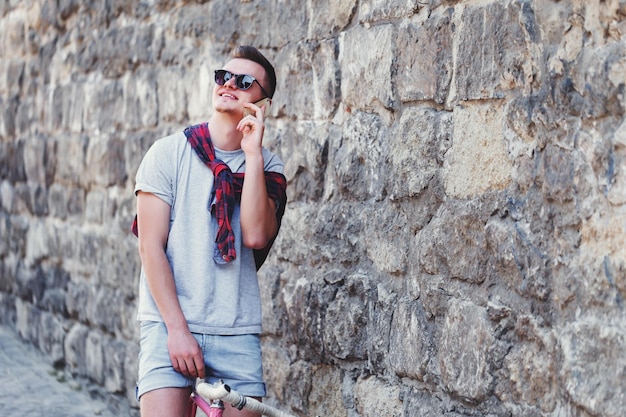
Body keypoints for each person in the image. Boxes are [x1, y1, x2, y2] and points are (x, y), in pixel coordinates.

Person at [131, 45, 287, 417]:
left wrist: (252, 154)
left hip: (235, 332)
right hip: (169, 326)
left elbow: (254, 235)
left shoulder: (268, 166)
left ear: (261, 104)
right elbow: (150, 248)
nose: (229, 83)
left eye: (245, 81)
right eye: (224, 76)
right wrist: (177, 330)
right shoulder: (167, 153)